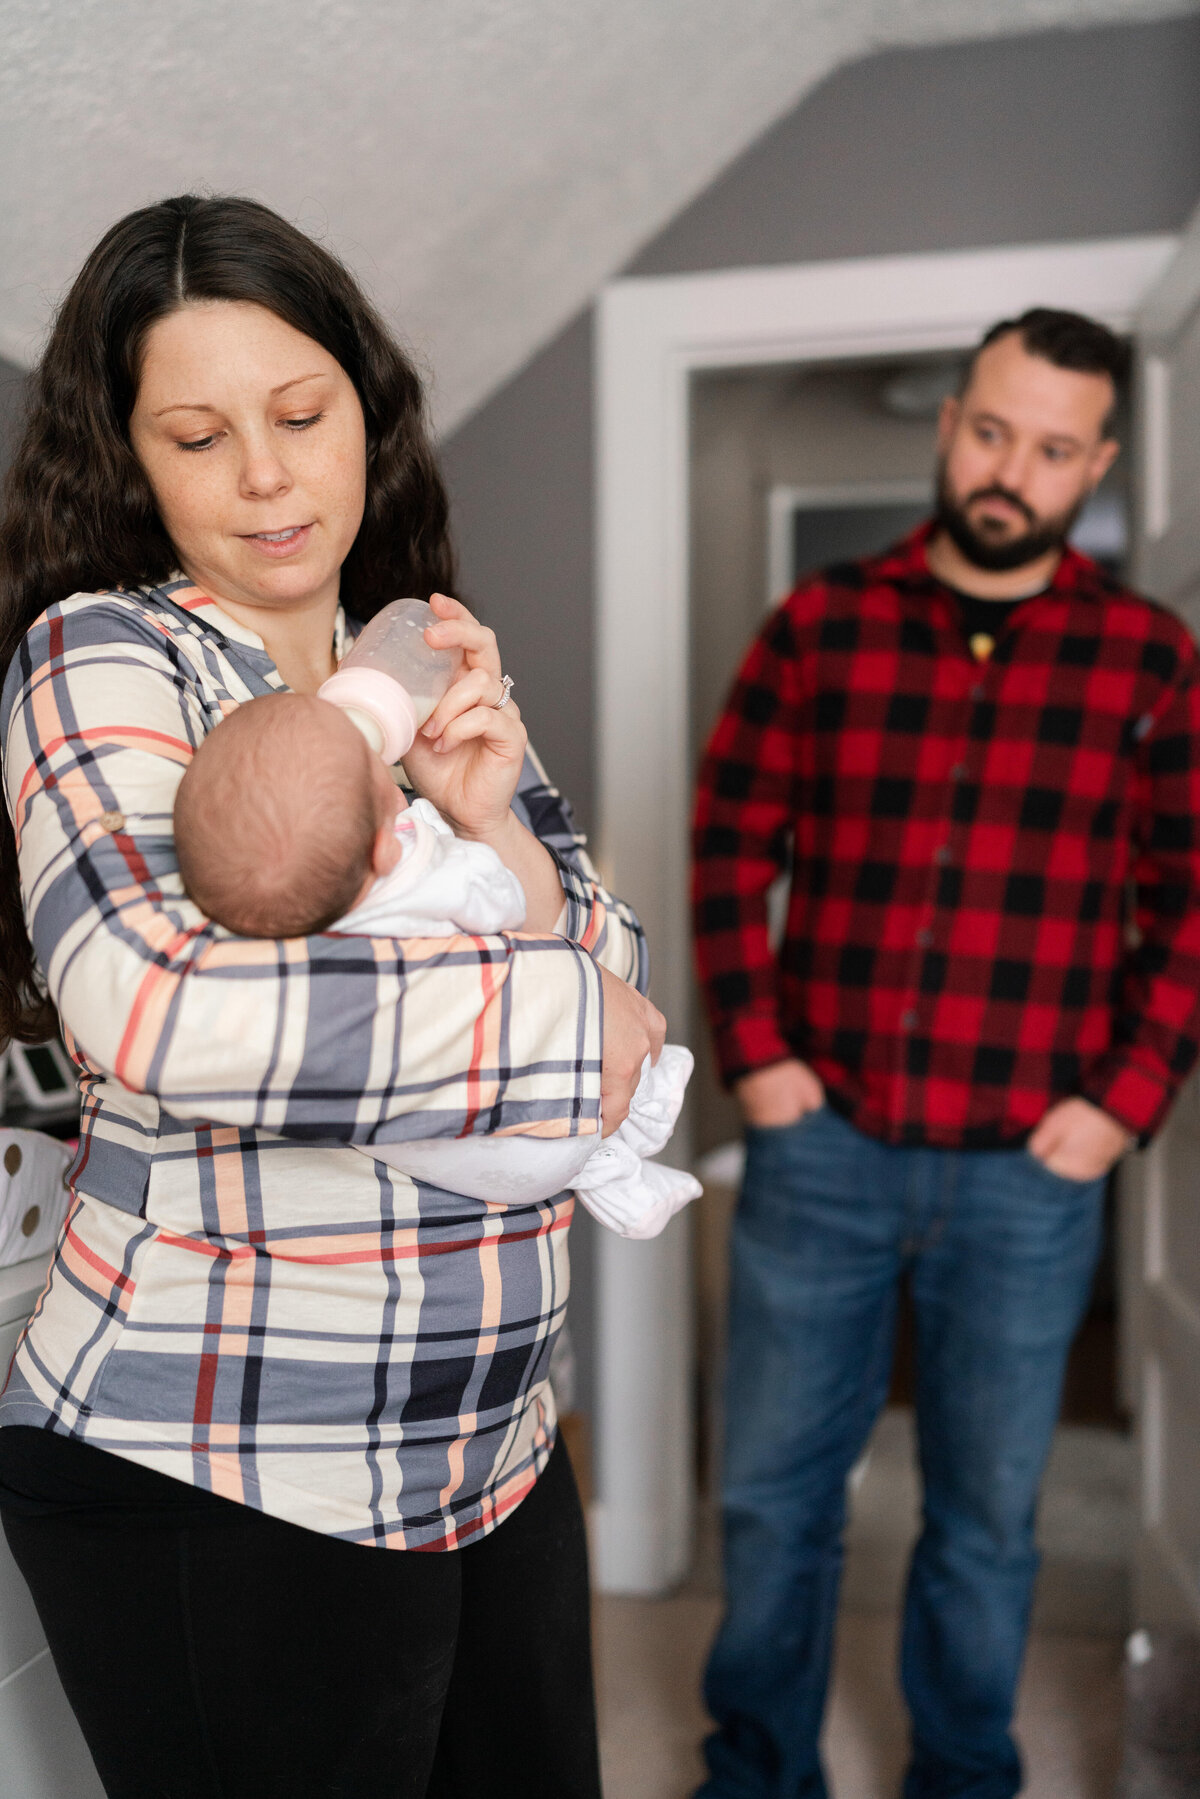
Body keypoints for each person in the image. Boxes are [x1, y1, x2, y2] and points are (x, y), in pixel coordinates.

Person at [0, 193, 665, 1799]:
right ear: (131, 462)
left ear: (364, 404)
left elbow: (608, 942)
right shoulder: (105, 657)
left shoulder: (425, 648)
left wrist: (494, 815)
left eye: (300, 413)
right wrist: (580, 1032)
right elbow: (158, 1004)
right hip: (231, 1460)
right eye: (198, 434)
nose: (269, 474)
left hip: (491, 1436)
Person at [691, 308, 1200, 1799]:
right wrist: (761, 1059)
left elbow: (1189, 901)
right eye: (991, 430)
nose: (1010, 470)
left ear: (1095, 461)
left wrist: (1122, 1105)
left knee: (988, 1515)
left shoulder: (1150, 660)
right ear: (949, 421)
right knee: (777, 1498)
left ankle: (964, 1774)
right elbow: (730, 840)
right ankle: (754, 1767)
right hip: (822, 1141)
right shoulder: (818, 627)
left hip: (1031, 1170)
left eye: (1052, 449)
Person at [172, 689, 699, 1235]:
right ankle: (613, 1164)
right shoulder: (419, 870)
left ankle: (610, 1170)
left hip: (437, 1150)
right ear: (382, 848)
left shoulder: (287, 925)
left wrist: (488, 818)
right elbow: (506, 902)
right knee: (604, 1110)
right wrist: (451, 838)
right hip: (535, 1132)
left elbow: (626, 954)